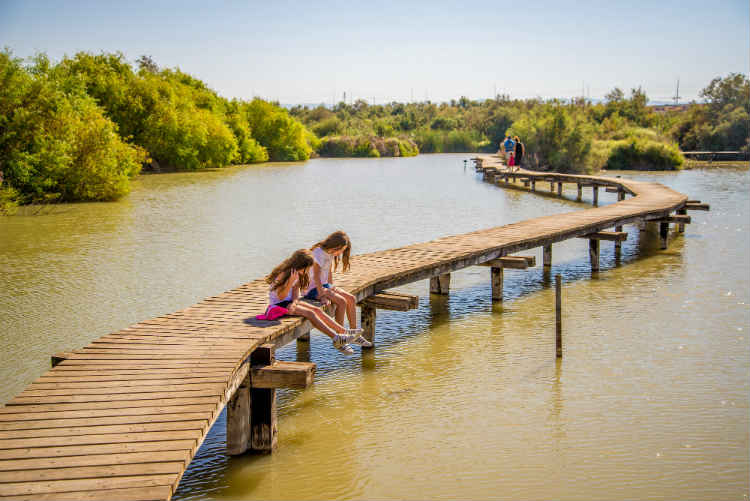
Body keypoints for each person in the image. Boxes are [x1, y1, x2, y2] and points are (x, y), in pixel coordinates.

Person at [265, 249, 371, 354]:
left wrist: (294, 302)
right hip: (278, 305)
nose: (308, 271)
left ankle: (343, 332)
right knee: (310, 313)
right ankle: (336, 337)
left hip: (288, 302)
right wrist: (290, 283)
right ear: (301, 265)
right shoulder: (284, 273)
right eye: (307, 268)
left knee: (317, 310)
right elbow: (280, 296)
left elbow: (295, 290)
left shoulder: (297, 273)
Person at [303, 231, 362, 334]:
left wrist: (331, 287)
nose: (340, 253)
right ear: (336, 246)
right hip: (312, 289)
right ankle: (341, 335)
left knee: (351, 299)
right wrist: (322, 296)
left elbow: (328, 272)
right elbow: (316, 277)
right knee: (342, 301)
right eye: (341, 250)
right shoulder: (318, 253)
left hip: (324, 286)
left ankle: (354, 332)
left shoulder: (329, 253)